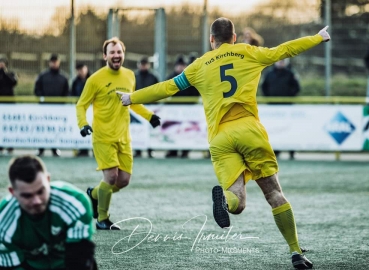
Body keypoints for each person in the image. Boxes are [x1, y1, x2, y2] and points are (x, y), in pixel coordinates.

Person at [119, 18, 330, 269]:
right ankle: (295, 251)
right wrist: (318, 37)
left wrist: (132, 97)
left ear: (211, 40)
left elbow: (167, 88)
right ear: (234, 37)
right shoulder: (248, 52)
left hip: (219, 139)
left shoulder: (199, 66)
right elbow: (284, 50)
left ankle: (225, 201)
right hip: (249, 130)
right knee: (274, 194)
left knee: (237, 203)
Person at [76, 37, 161, 230]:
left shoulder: (130, 75)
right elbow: (81, 105)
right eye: (112, 52)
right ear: (105, 56)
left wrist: (150, 116)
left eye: (119, 52)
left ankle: (95, 194)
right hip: (103, 137)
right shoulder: (95, 79)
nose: (116, 55)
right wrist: (83, 124)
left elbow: (133, 101)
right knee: (111, 177)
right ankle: (102, 219)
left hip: (124, 137)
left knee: (123, 181)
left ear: (123, 54)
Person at [0, 155, 97, 270]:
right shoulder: (3, 220)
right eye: (27, 196)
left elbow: (79, 260)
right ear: (13, 192)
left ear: (48, 180)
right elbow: (13, 267)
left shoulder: (74, 203)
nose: (37, 201)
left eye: (41, 191)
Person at [261, 58, 300, 159]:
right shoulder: (269, 74)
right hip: (273, 107)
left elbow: (296, 88)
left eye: (283, 61)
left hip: (287, 107)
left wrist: (289, 97)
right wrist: (269, 98)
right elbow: (264, 87)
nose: (281, 62)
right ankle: (276, 150)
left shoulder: (290, 73)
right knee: (274, 129)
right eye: (279, 61)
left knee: (289, 129)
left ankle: (291, 151)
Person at [34, 53, 69, 157]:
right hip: (44, 108)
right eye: (52, 62)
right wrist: (42, 98)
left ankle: (55, 148)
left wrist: (61, 103)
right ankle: (41, 148)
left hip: (57, 109)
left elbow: (66, 92)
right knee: (43, 128)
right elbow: (36, 90)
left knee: (55, 129)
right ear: (49, 63)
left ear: (58, 62)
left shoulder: (63, 77)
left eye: (55, 62)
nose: (54, 64)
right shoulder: (43, 76)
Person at [165, 55, 195, 158]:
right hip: (173, 110)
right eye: (179, 65)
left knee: (186, 130)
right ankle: (172, 150)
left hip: (187, 110)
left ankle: (185, 150)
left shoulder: (190, 78)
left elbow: (195, 93)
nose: (181, 68)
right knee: (173, 130)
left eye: (183, 65)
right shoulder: (170, 78)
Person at [134, 56, 159, 158]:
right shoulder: (134, 76)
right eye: (142, 63)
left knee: (150, 130)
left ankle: (150, 149)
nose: (143, 66)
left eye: (145, 64)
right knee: (137, 129)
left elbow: (158, 90)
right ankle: (138, 149)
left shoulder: (153, 77)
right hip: (137, 107)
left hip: (150, 106)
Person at [71, 63, 91, 157]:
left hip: (93, 108)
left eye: (82, 69)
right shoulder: (75, 81)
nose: (81, 71)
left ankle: (96, 150)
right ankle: (83, 149)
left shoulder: (92, 79)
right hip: (82, 108)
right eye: (79, 69)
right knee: (83, 128)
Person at [0, 57, 17, 155]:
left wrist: (4, 73)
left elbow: (13, 82)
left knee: (9, 125)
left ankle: (10, 144)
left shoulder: (10, 74)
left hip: (9, 104)